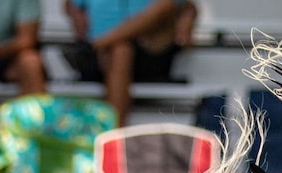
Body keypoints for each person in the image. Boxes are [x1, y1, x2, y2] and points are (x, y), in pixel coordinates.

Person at [63, 0, 197, 125]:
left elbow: (181, 6)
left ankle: (102, 42)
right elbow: (71, 5)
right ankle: (113, 141)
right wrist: (79, 20)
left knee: (121, 49)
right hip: (101, 56)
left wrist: (188, 16)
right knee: (121, 50)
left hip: (148, 52)